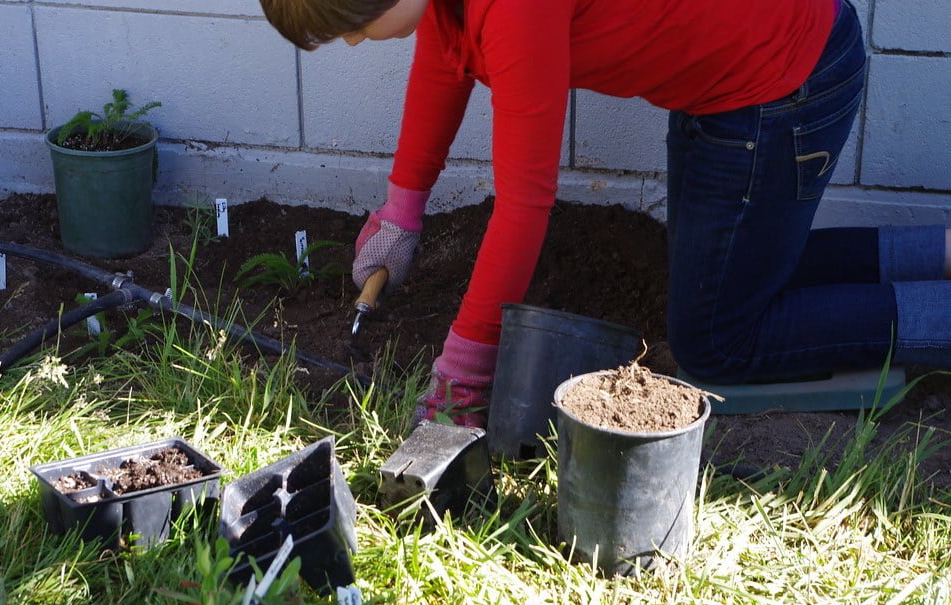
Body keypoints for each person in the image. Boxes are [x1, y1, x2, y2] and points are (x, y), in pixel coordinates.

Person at [258, 0, 950, 427]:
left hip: (781, 82)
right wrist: (402, 209)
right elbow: (448, 57)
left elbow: (525, 205)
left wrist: (466, 368)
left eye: (351, 25)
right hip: (739, 80)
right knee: (729, 277)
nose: (351, 42)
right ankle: (941, 251)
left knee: (718, 340)